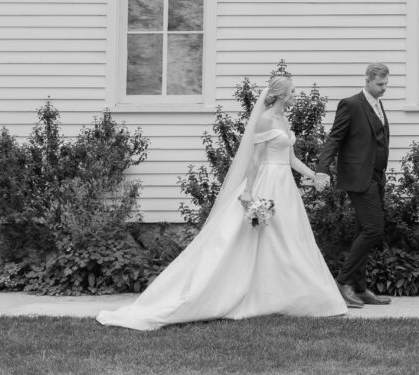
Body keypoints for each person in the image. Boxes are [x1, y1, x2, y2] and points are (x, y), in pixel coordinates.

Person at [97, 75, 347, 330]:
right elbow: (255, 160)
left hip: (285, 186)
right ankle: (243, 294)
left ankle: (295, 296)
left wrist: (313, 176)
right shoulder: (265, 119)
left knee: (291, 238)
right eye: (293, 91)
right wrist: (249, 191)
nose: (296, 95)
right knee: (255, 239)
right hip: (267, 184)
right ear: (282, 94)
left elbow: (290, 159)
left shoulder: (284, 119)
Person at [314, 63, 393, 308]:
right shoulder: (351, 104)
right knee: (373, 229)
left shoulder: (378, 104)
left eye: (386, 84)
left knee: (363, 231)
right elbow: (335, 138)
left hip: (377, 176)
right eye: (380, 84)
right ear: (368, 80)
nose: (384, 89)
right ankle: (344, 281)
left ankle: (359, 287)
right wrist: (322, 168)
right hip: (359, 177)